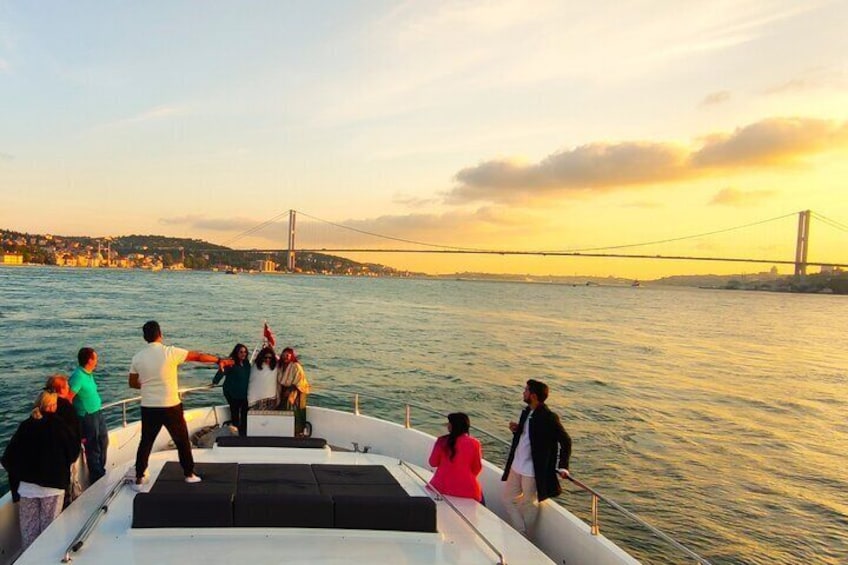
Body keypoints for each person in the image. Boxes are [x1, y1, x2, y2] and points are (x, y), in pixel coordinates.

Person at [129, 320, 224, 486]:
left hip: (149, 407)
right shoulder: (169, 352)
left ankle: (140, 477)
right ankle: (189, 474)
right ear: (161, 334)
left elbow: (132, 383)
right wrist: (218, 360)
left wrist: (147, 384)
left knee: (146, 442)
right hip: (170, 405)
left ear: (145, 338)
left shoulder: (137, 357)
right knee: (182, 441)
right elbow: (198, 356)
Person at [1, 391, 81, 550]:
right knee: (50, 531)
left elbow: (8, 457)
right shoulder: (59, 425)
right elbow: (72, 452)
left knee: (29, 532)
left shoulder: (25, 425)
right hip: (53, 486)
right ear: (53, 406)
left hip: (27, 488)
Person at [501, 379, 572, 537]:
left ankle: (524, 537)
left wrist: (563, 466)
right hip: (516, 465)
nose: (523, 392)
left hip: (531, 471)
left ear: (533, 395)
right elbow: (530, 434)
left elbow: (566, 441)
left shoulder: (549, 417)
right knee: (507, 499)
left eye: (526, 390)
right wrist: (518, 430)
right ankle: (521, 532)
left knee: (529, 504)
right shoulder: (527, 411)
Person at [68, 347, 108, 483]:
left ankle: (101, 469)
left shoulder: (88, 374)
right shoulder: (78, 376)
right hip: (87, 416)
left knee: (103, 441)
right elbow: (68, 398)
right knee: (93, 446)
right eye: (95, 358)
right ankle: (97, 477)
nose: (97, 361)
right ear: (89, 360)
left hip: (97, 412)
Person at [44, 374, 83, 506]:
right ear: (61, 389)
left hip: (49, 455)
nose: (69, 388)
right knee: (69, 483)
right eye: (67, 386)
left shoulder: (43, 405)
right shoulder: (66, 407)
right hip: (65, 455)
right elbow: (73, 431)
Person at [428, 412, 483, 502]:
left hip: (441, 488)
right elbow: (477, 468)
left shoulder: (441, 441)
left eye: (449, 423)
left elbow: (433, 463)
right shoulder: (475, 443)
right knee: (481, 495)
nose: (447, 425)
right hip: (469, 490)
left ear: (452, 426)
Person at [212, 343, 251, 436]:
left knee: (245, 414)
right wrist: (215, 381)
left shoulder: (246, 363)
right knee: (235, 414)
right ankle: (236, 433)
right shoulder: (231, 363)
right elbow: (221, 371)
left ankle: (244, 433)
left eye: (245, 352)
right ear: (236, 353)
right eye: (241, 352)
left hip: (244, 394)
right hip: (232, 393)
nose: (243, 354)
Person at [276, 347, 310, 436]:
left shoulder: (296, 366)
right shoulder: (281, 366)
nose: (285, 357)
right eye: (283, 355)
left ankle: (297, 431)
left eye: (287, 355)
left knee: (295, 411)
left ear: (291, 356)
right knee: (283, 408)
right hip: (285, 390)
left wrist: (290, 390)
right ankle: (284, 429)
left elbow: (299, 381)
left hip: (296, 391)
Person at [248, 345, 278, 410]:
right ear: (262, 357)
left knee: (268, 419)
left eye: (270, 358)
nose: (267, 359)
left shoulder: (275, 367)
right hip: (256, 399)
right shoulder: (255, 366)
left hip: (271, 398)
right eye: (265, 357)